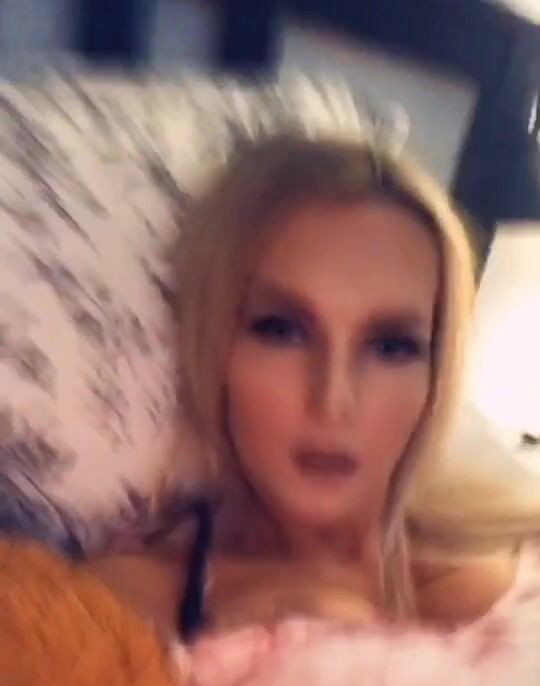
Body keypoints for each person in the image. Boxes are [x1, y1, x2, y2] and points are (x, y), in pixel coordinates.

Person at [85, 129, 521, 638]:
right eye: (281, 330)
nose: (333, 401)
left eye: (390, 346)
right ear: (213, 348)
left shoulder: (508, 542)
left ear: (437, 375)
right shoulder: (129, 602)